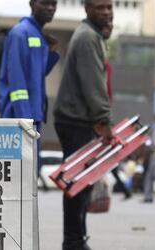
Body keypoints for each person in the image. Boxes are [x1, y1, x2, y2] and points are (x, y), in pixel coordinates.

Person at [53, 0, 113, 249]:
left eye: (110, 7)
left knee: (82, 184)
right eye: (100, 7)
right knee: (76, 185)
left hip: (77, 118)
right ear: (87, 9)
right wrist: (104, 120)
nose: (107, 12)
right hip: (76, 120)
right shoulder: (88, 37)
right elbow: (94, 85)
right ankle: (73, 241)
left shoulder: (93, 36)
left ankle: (77, 238)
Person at [0, 0, 59, 176]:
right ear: (32, 4)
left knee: (30, 176)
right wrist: (25, 121)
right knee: (20, 179)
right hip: (20, 119)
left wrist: (51, 53)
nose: (50, 8)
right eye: (45, 3)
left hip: (33, 118)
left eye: (53, 4)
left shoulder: (37, 34)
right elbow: (17, 83)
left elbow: (36, 74)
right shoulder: (20, 33)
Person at [102, 21, 132, 200]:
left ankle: (122, 190)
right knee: (107, 165)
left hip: (102, 116)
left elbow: (106, 91)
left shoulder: (104, 59)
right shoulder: (95, 51)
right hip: (98, 117)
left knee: (109, 165)